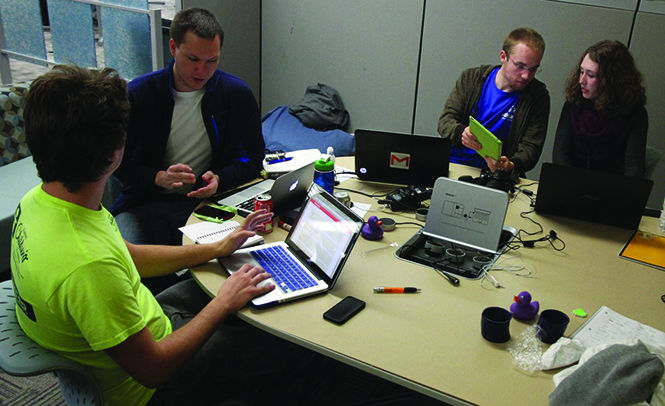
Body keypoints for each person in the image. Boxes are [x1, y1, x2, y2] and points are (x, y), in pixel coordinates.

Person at [11, 64, 420, 406]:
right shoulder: (88, 266)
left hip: (142, 321)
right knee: (301, 345)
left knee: (239, 280)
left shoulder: (42, 201)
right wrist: (223, 303)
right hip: (157, 385)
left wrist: (216, 247)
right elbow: (154, 369)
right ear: (114, 151)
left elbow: (125, 255)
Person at [111, 7, 265, 292]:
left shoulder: (235, 94)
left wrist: (221, 178)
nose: (202, 71)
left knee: (237, 267)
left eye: (212, 61)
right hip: (144, 203)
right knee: (130, 271)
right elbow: (116, 165)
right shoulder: (139, 94)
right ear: (173, 47)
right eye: (193, 59)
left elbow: (254, 158)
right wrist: (156, 177)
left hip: (205, 206)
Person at [437, 27, 550, 176]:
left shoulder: (538, 96)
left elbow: (531, 149)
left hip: (495, 174)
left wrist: (511, 164)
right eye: (520, 66)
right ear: (503, 56)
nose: (526, 75)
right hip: (453, 164)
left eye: (533, 69)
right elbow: (445, 121)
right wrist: (461, 133)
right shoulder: (472, 78)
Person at [552, 40, 647, 178]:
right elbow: (560, 156)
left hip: (610, 190)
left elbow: (634, 168)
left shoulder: (636, 114)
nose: (581, 80)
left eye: (591, 75)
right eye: (581, 72)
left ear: (610, 80)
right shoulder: (574, 103)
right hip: (571, 184)